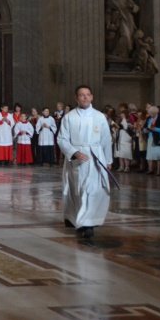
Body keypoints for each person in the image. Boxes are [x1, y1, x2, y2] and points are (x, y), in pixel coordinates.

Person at [59, 85, 113, 240]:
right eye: (81, 95)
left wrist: (108, 160)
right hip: (76, 158)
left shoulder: (99, 117)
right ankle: (72, 216)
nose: (85, 97)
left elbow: (106, 139)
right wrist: (74, 152)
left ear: (92, 97)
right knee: (76, 190)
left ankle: (87, 223)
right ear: (76, 98)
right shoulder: (69, 117)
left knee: (92, 190)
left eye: (87, 94)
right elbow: (62, 138)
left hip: (95, 157)